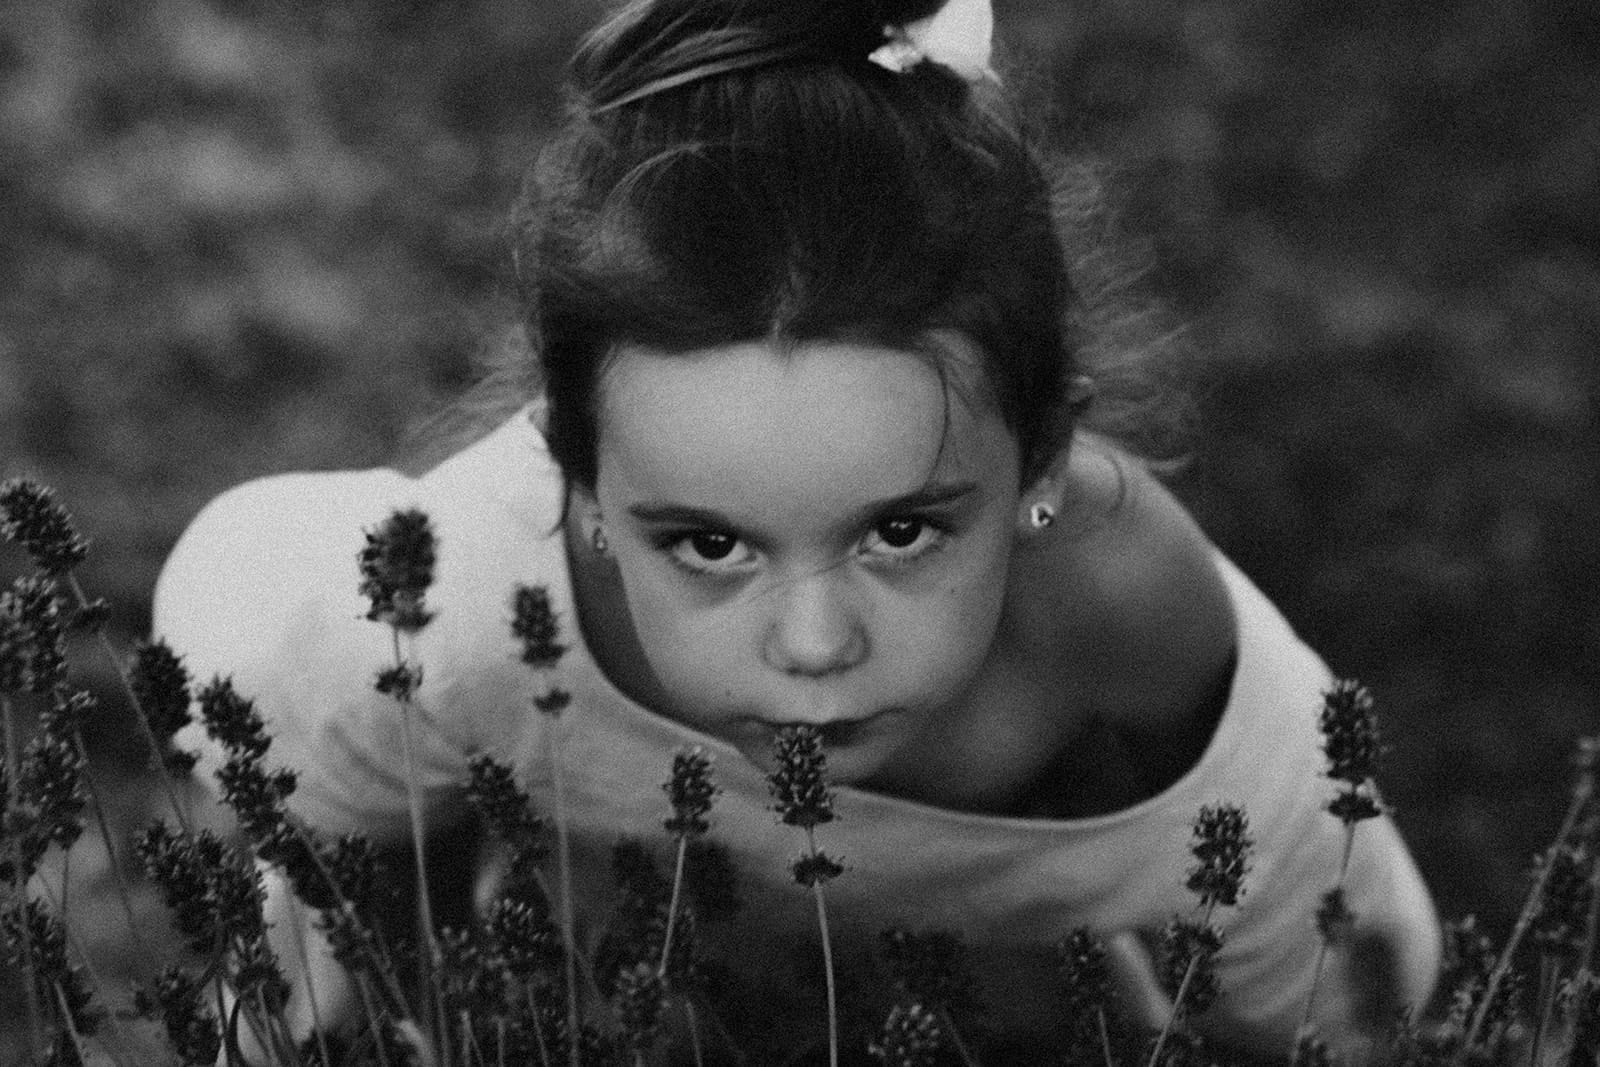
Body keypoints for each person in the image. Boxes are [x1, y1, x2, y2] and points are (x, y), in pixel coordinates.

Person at [154, 0, 1441, 1060]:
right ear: (584, 491)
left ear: (1043, 460)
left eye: (899, 532)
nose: (815, 645)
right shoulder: (451, 620)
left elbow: (1348, 986)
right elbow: (337, 970)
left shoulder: (1129, 626)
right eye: (710, 544)